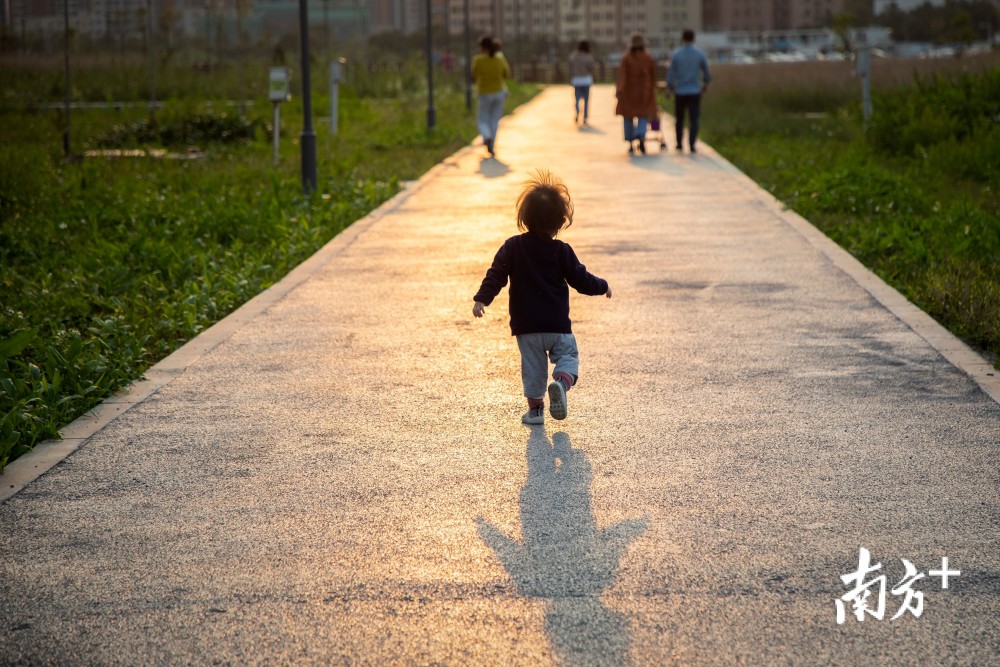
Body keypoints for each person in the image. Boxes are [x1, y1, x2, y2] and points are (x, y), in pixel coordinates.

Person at [472, 170, 612, 425]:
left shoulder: (512, 247)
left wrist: (482, 298)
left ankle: (536, 411)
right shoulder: (562, 251)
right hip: (557, 325)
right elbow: (581, 280)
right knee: (568, 356)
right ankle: (561, 382)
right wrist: (603, 286)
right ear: (560, 222)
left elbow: (497, 274)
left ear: (524, 218)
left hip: (527, 327)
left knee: (533, 368)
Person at [667, 29, 712, 153]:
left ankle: (679, 144)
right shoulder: (699, 54)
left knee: (679, 119)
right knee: (694, 119)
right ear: (693, 39)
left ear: (682, 39)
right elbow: (707, 73)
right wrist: (706, 83)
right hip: (694, 91)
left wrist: (669, 88)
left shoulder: (676, 54)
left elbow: (671, 74)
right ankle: (692, 144)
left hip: (680, 91)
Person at [615, 33, 658, 155]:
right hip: (644, 92)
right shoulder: (648, 57)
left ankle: (630, 141)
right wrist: (653, 88)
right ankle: (641, 136)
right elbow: (652, 76)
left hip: (629, 92)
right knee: (643, 116)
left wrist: (619, 90)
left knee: (628, 117)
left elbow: (622, 76)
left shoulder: (627, 58)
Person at [471, 35, 511, 157]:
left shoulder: (478, 60)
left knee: (482, 120)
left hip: (484, 93)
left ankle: (486, 136)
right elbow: (507, 74)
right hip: (499, 93)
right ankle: (491, 146)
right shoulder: (499, 59)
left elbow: (474, 75)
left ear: (482, 47)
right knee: (494, 121)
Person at [568, 40, 596, 125]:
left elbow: (570, 66)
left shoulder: (574, 56)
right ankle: (585, 117)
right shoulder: (588, 56)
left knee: (577, 99)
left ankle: (577, 112)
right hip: (586, 80)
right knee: (586, 100)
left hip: (576, 80)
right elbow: (592, 67)